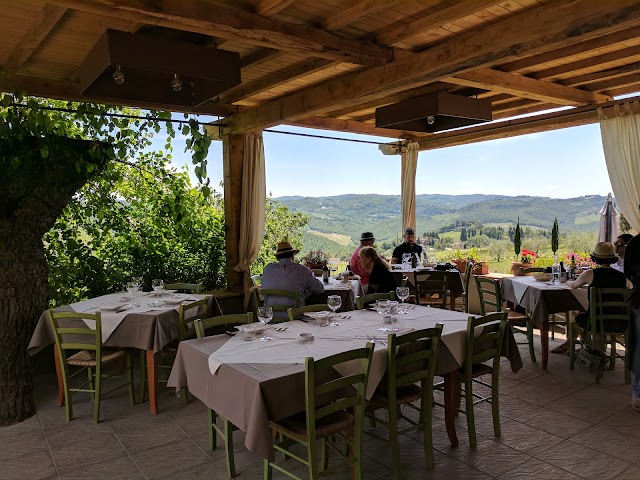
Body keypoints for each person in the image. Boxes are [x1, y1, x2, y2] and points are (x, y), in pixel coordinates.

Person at [551, 242, 632, 354]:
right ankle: (592, 348)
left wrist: (567, 281)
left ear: (595, 258)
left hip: (596, 322)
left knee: (578, 318)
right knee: (585, 314)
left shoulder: (590, 274)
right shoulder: (623, 277)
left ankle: (585, 348)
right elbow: (630, 290)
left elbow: (574, 285)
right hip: (619, 322)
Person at [261, 241, 325, 318]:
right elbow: (320, 289)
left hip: (270, 319)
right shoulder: (302, 270)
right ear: (292, 255)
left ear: (278, 257)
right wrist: (305, 293)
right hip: (295, 319)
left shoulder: (267, 269)